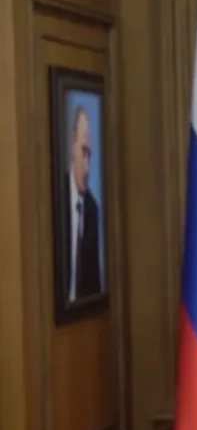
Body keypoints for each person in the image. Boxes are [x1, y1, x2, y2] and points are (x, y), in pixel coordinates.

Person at [66, 105, 103, 301]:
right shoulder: (58, 195)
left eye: (90, 155)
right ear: (72, 145)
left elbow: (94, 286)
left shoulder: (92, 209)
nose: (87, 167)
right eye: (83, 152)